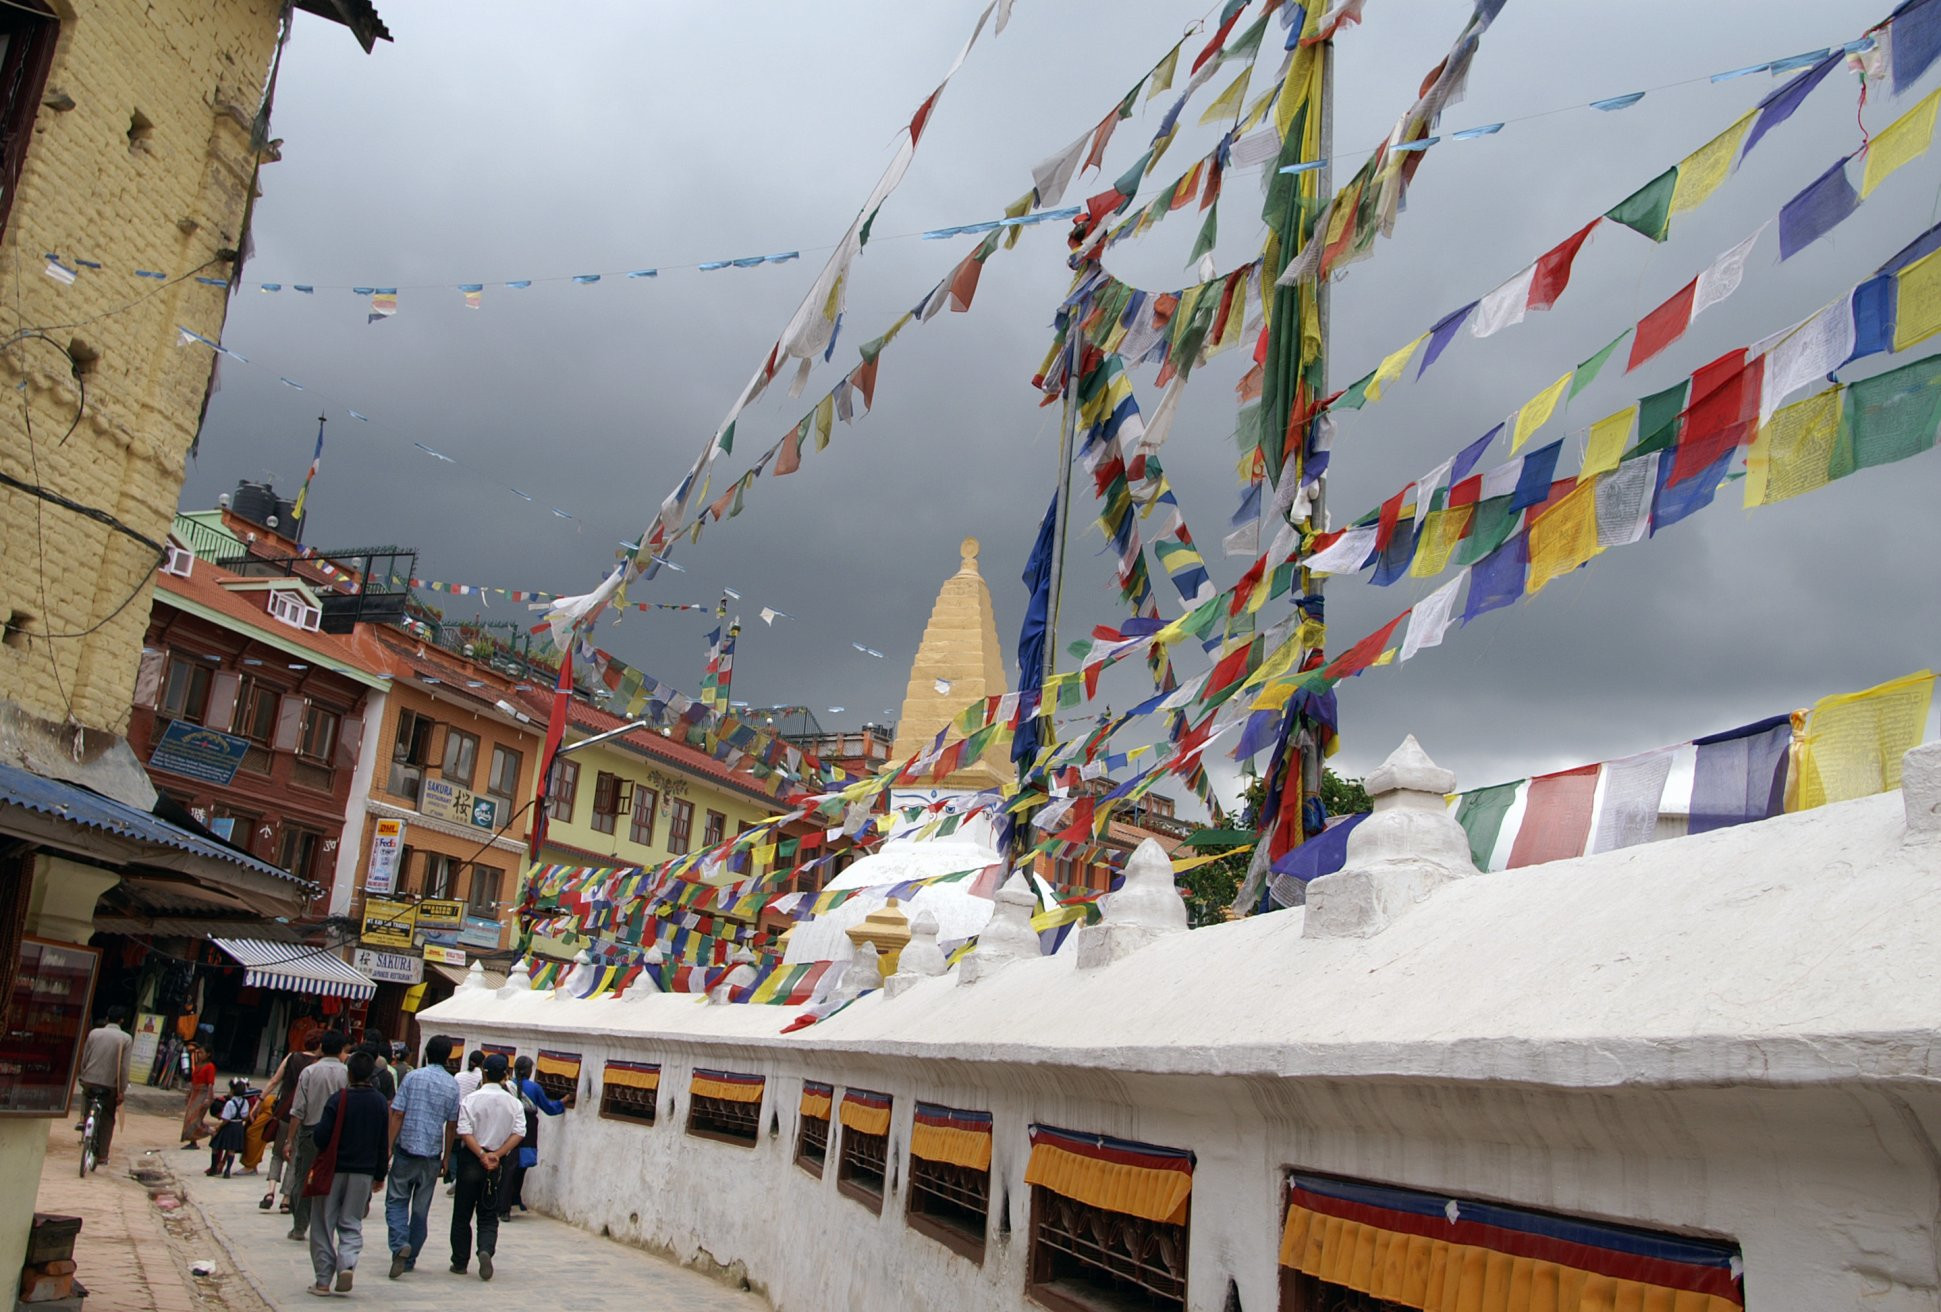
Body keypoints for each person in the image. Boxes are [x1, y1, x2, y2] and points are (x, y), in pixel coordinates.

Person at [305, 1049, 390, 1296]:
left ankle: (322, 1280)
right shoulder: (379, 1103)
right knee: (351, 1222)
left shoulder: (338, 1099)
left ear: (349, 1073)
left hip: (333, 1170)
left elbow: (321, 1137)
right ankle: (348, 1263)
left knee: (323, 1223)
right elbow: (382, 1142)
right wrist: (379, 1175)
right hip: (363, 1173)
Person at [384, 1035, 459, 1279]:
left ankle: (399, 1244)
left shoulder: (413, 1077)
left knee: (396, 1200)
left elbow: (397, 1114)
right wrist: (447, 1157)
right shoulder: (451, 1084)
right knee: (420, 1209)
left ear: (426, 1052)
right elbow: (451, 1125)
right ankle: (410, 1256)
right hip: (432, 1154)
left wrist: (388, 1146)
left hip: (406, 1148)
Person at [450, 1054, 522, 1281]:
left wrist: (481, 1154)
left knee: (462, 1212)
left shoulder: (471, 1100)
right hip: (496, 1162)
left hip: (472, 1158)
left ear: (484, 1073)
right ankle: (485, 1249)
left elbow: (463, 1130)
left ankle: (460, 1262)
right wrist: (496, 1155)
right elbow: (519, 1132)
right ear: (505, 1075)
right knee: (488, 1212)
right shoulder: (514, 1103)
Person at [284, 1030, 349, 1241]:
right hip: (338, 1135)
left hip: (310, 1130)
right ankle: (326, 1226)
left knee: (303, 1177)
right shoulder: (347, 1074)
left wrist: (290, 1139)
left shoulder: (310, 1072)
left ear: (322, 1046)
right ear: (341, 1049)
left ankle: (300, 1225)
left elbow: (298, 1110)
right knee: (333, 1179)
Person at [497, 1056, 565, 1220]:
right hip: (527, 1130)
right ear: (528, 1070)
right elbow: (549, 1108)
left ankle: (508, 1201)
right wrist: (562, 1102)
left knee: (509, 1167)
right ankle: (506, 1205)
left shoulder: (506, 1086)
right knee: (520, 1167)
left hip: (508, 1129)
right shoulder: (534, 1088)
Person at [265, 1031, 323, 1211]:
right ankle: (286, 1198)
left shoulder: (292, 1057)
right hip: (302, 1116)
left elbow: (274, 1080)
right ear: (320, 1045)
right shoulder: (317, 1065)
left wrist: (259, 1099)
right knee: (293, 1156)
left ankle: (270, 1191)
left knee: (277, 1153)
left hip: (283, 1112)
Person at [76, 1006, 132, 1163]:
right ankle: (102, 1155)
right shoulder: (126, 1038)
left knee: (87, 1099)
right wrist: (122, 1090)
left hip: (89, 1080)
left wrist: (83, 1075)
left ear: (107, 1018)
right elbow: (124, 1068)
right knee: (107, 1116)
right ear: (122, 1020)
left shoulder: (94, 1033)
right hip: (109, 1086)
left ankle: (84, 1121)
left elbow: (85, 1057)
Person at [446, 1051, 486, 1188]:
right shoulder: (482, 1077)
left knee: (453, 1147)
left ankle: (453, 1175)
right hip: (473, 1115)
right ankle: (462, 1175)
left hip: (458, 1112)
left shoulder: (458, 1076)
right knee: (468, 1147)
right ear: (482, 1063)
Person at [206, 1078, 251, 1177]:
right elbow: (245, 1116)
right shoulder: (245, 1102)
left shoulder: (230, 1103)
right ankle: (227, 1171)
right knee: (231, 1150)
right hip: (238, 1127)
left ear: (233, 1090)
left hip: (229, 1126)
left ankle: (213, 1168)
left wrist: (218, 1127)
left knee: (215, 1146)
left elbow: (225, 1119)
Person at [179, 1042, 217, 1148]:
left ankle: (212, 1131)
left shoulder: (210, 1066)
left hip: (203, 1094)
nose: (199, 1055)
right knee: (189, 1118)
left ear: (208, 1054)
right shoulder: (198, 1065)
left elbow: (210, 1084)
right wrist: (189, 1094)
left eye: (202, 1053)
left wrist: (208, 1098)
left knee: (196, 1120)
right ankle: (193, 1141)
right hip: (195, 1093)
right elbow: (194, 1081)